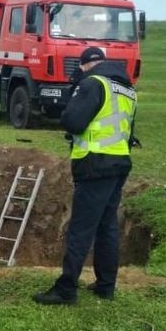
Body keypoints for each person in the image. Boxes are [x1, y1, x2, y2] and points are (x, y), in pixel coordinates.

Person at [33, 47, 138, 305]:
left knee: (80, 229)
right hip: (119, 161)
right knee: (107, 226)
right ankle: (105, 285)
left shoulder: (92, 84)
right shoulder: (126, 88)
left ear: (83, 65)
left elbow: (74, 122)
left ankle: (66, 288)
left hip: (94, 163)